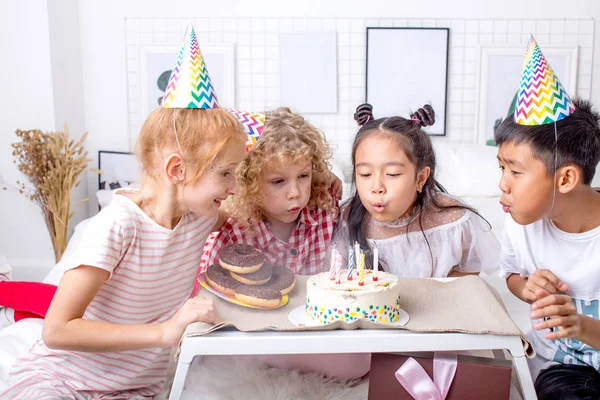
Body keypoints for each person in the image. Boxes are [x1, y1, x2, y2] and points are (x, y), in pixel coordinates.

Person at [1, 25, 246, 399]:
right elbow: (57, 328)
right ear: (177, 170)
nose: (232, 188)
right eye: (225, 174)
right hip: (61, 383)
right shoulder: (117, 226)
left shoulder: (200, 218)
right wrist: (165, 332)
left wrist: (321, 186)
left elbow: (251, 208)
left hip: (135, 390)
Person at [496, 35, 600, 400]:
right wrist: (526, 288)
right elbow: (510, 274)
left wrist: (582, 325)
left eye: (515, 171)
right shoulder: (518, 223)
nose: (502, 185)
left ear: (566, 178)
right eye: (501, 167)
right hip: (563, 372)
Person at [333, 103, 499, 278]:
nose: (376, 188)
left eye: (392, 174)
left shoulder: (453, 221)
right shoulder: (346, 220)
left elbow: (467, 272)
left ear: (420, 178)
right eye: (365, 174)